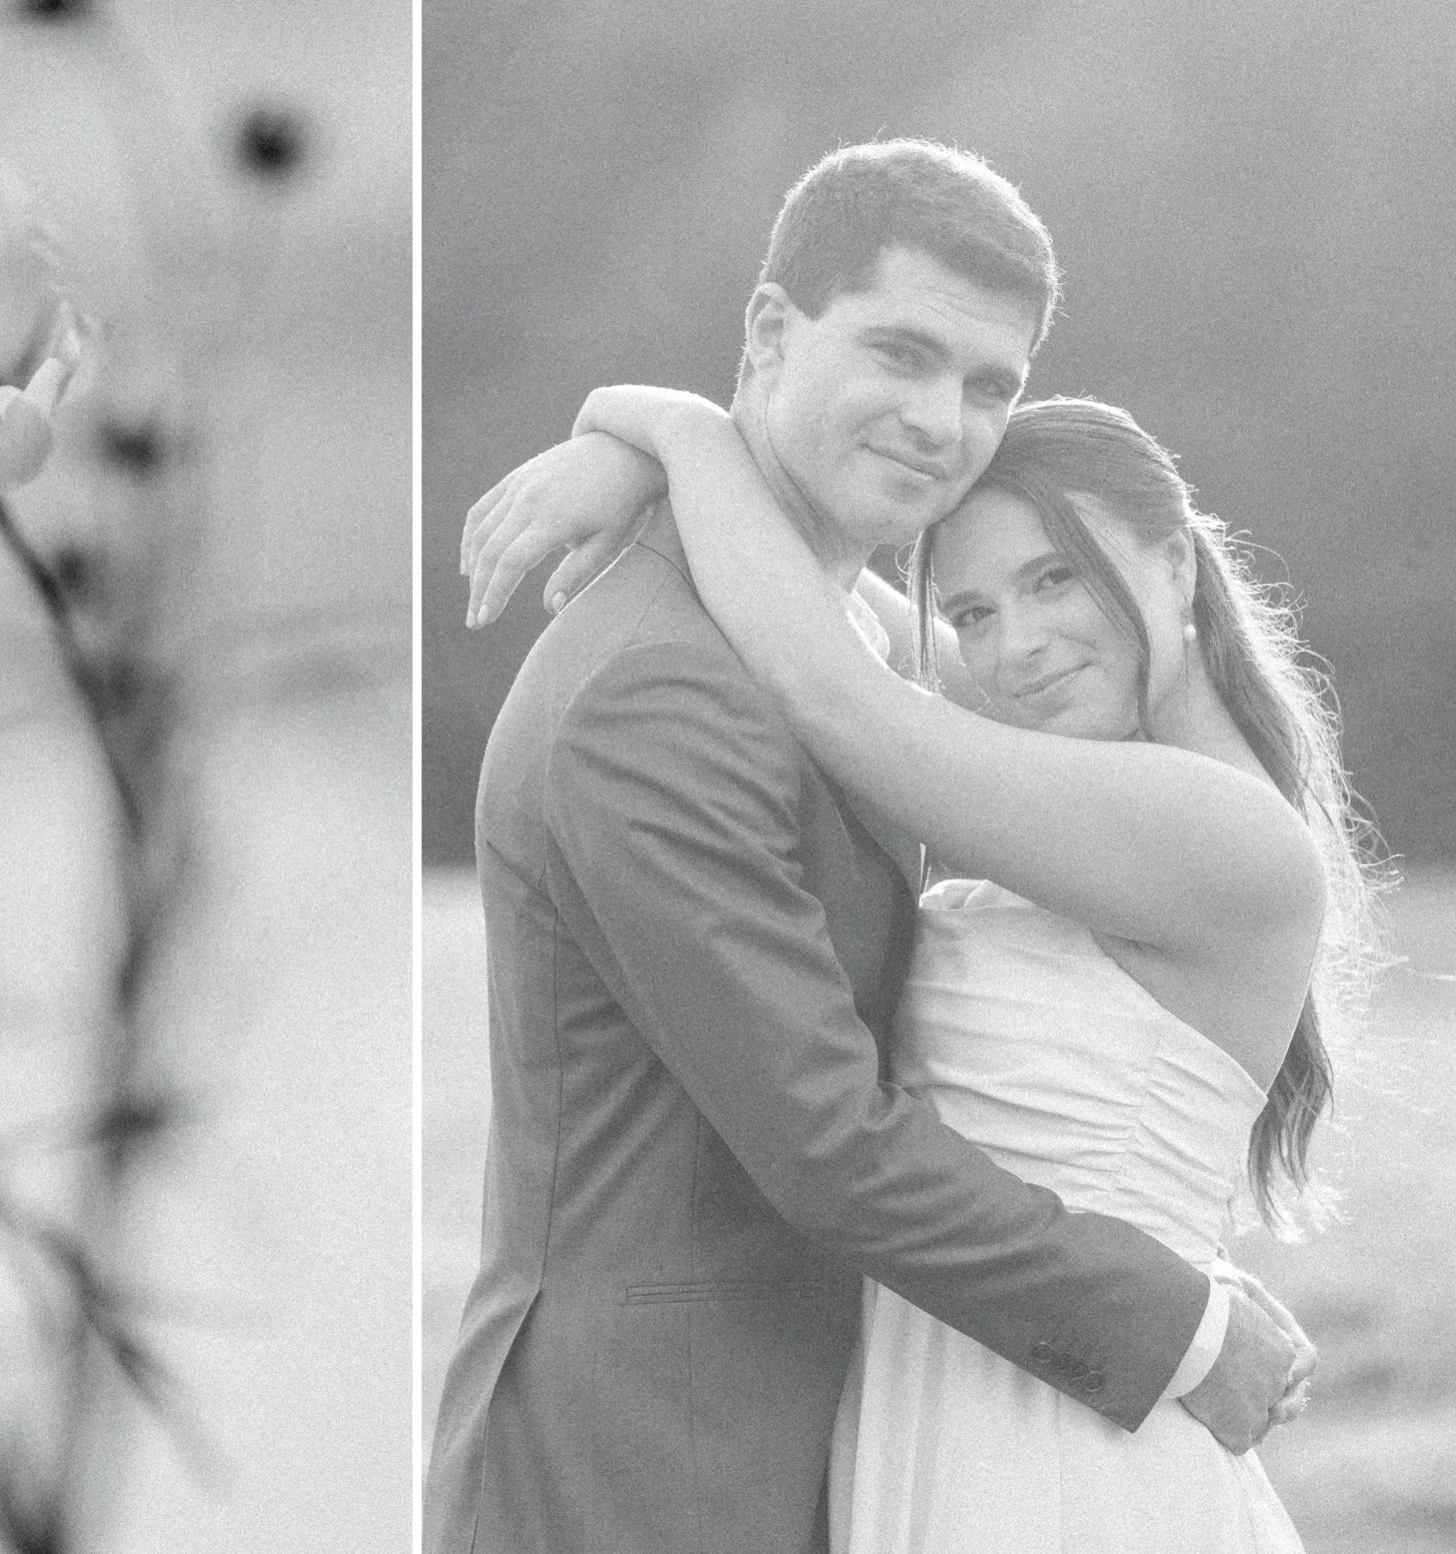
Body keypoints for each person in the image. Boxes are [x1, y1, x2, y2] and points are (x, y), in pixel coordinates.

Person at [425, 139, 1314, 1554]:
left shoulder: (843, 654)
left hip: (890, 1434)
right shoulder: (661, 688)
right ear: (771, 332)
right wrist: (1181, 1328)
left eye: (989, 384)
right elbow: (827, 1142)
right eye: (901, 353)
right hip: (644, 1466)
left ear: (1178, 562)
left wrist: (661, 432)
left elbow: (854, 691)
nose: (940, 420)